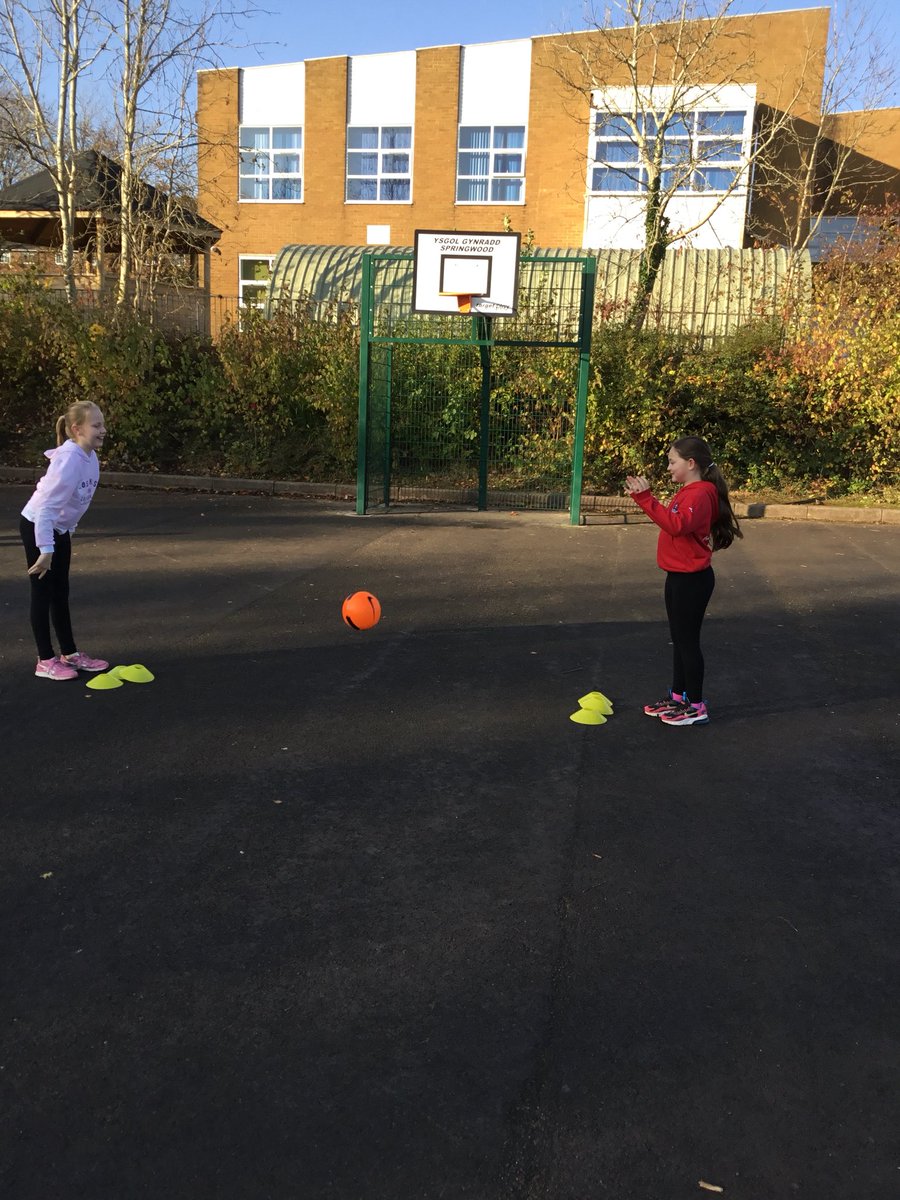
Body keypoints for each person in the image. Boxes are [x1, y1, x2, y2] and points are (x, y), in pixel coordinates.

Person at [625, 436, 742, 726]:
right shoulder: (689, 491)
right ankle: (677, 698)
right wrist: (647, 499)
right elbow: (674, 521)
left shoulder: (700, 494)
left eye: (672, 462)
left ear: (691, 464)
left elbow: (676, 526)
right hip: (678, 577)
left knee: (688, 642)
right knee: (679, 640)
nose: (668, 468)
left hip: (693, 581)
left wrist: (645, 498)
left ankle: (697, 706)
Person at [20, 401, 109, 681]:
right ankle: (45, 661)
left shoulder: (89, 456)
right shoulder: (69, 459)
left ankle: (69, 654)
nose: (103, 430)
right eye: (96, 425)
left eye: (103, 424)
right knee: (42, 592)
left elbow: (77, 503)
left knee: (61, 592)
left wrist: (67, 533)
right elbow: (46, 507)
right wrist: (46, 550)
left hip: (58, 530)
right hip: (38, 526)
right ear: (76, 429)